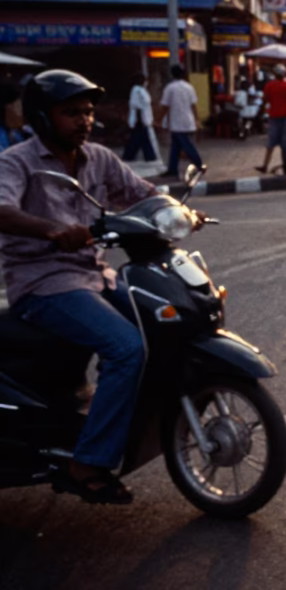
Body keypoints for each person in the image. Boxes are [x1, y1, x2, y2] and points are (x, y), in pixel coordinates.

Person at [0, 70, 161, 504]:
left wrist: (177, 210)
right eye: (71, 112)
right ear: (42, 116)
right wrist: (53, 230)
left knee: (161, 322)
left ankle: (110, 417)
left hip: (95, 274)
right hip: (43, 282)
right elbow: (1, 208)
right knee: (127, 347)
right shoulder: (17, 162)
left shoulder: (99, 157)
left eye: (87, 112)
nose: (84, 121)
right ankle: (86, 462)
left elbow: (141, 193)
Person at [157, 65, 202, 178]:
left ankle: (199, 164)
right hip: (188, 120)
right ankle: (172, 169)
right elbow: (194, 105)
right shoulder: (189, 87)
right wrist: (196, 119)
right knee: (175, 147)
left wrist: (159, 119)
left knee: (187, 146)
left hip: (176, 122)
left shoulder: (170, 88)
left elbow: (165, 106)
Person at [256, 63, 286, 174]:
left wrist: (261, 111)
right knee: (285, 143)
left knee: (271, 143)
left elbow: (265, 100)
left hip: (274, 116)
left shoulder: (269, 86)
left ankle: (265, 165)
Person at [121, 73, 156, 163]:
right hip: (139, 120)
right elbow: (137, 106)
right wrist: (139, 120)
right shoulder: (136, 91)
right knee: (141, 139)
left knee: (137, 140)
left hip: (144, 119)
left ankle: (130, 155)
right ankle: (149, 156)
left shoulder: (142, 90)